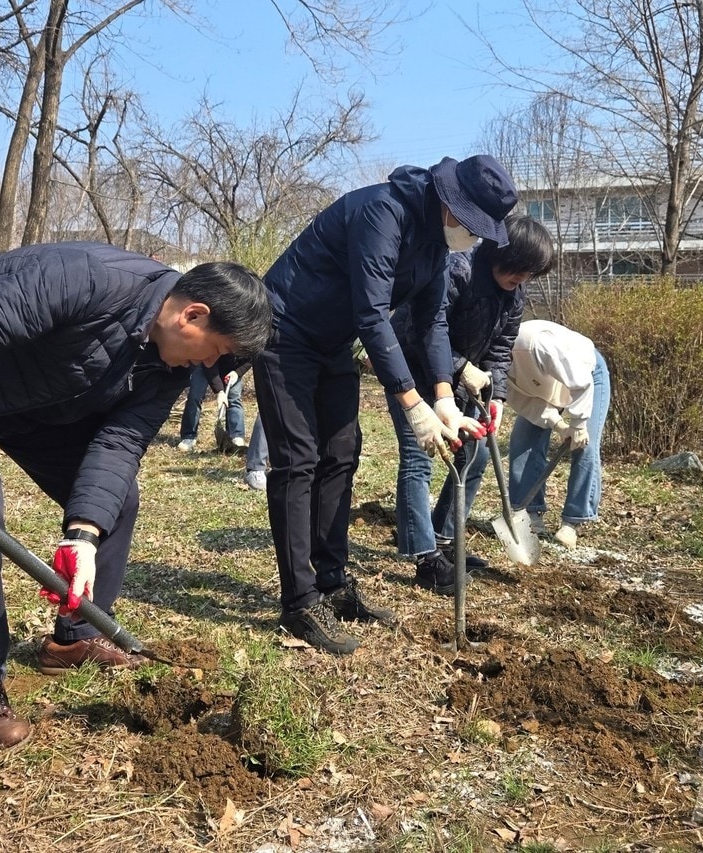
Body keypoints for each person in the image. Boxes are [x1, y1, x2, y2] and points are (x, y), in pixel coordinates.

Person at [0, 242, 270, 747]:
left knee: (116, 501)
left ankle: (74, 638)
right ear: (192, 315)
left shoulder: (170, 362)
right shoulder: (86, 277)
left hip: (37, 405)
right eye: (213, 353)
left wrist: (83, 535)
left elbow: (120, 442)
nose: (207, 367)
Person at [255, 153, 517, 655]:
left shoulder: (436, 245)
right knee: (298, 461)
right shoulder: (384, 211)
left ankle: (332, 582)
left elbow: (432, 322)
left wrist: (443, 396)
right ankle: (299, 600)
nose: (474, 238)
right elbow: (373, 315)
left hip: (332, 342)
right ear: (450, 204)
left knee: (342, 454)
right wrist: (413, 404)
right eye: (473, 225)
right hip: (285, 331)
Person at [386, 216, 555, 594]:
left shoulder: (514, 294)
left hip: (463, 379)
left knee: (473, 455)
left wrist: (495, 396)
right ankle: (424, 558)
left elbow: (501, 347)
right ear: (503, 253)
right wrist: (462, 367)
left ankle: (447, 541)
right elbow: (423, 329)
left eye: (531, 274)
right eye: (521, 269)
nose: (523, 279)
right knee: (419, 455)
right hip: (411, 372)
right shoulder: (456, 270)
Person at [505, 320, 612, 548]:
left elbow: (581, 384)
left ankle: (572, 522)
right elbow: (525, 402)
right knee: (522, 441)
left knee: (584, 445)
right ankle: (528, 513)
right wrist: (558, 424)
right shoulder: (493, 365)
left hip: (588, 375)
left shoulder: (536, 344)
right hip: (543, 387)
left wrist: (577, 423)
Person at [176, 365, 246, 452]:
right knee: (194, 397)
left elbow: (251, 359)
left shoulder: (249, 352)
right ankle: (189, 436)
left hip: (233, 366)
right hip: (206, 362)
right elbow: (208, 364)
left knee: (234, 399)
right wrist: (219, 391)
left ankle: (236, 435)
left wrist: (238, 372)